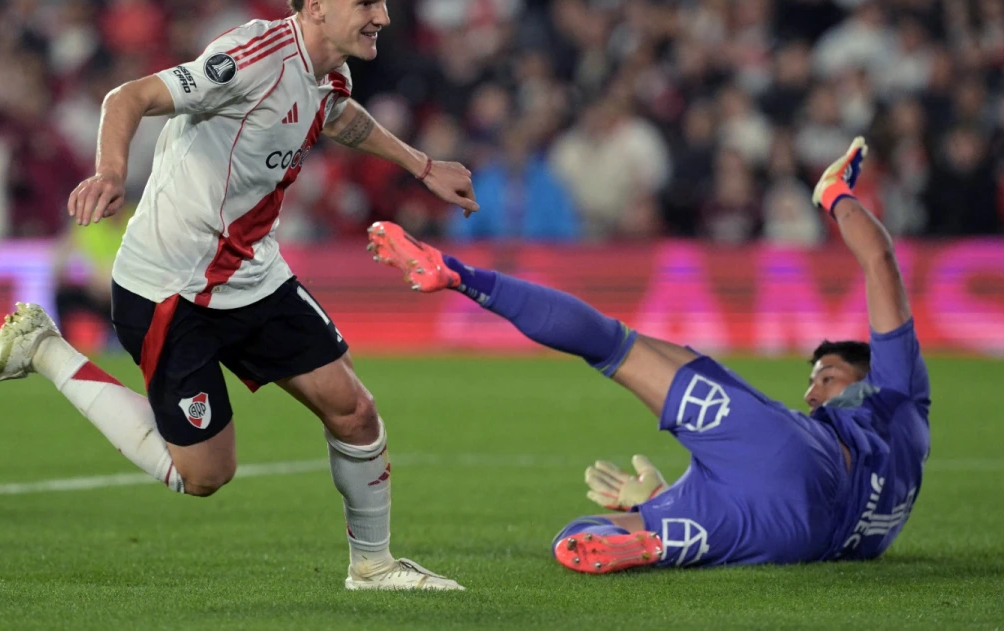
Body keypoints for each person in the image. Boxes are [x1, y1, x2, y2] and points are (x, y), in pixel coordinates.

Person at [0, 0, 478, 591]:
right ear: (316, 5)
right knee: (204, 474)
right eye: (368, 2)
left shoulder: (330, 71)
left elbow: (337, 113)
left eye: (382, 1)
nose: (383, 15)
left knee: (354, 411)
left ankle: (372, 566)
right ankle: (42, 347)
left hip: (253, 273)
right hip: (170, 286)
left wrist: (420, 163)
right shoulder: (252, 55)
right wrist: (112, 172)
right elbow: (129, 96)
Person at [368, 137, 930, 572]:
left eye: (827, 377)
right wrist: (664, 496)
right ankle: (659, 541)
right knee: (581, 530)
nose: (812, 392)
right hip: (795, 536)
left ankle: (459, 274)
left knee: (612, 345)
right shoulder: (907, 436)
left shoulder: (895, 394)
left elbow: (879, 258)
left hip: (786, 453)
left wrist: (834, 191)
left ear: (865, 375)